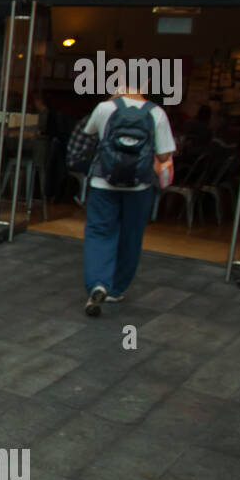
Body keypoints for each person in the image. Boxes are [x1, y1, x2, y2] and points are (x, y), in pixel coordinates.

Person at [81, 84, 176, 317]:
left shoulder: (104, 108)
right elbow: (164, 155)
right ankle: (116, 288)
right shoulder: (157, 113)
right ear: (145, 86)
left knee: (100, 232)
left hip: (104, 182)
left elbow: (89, 133)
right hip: (139, 185)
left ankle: (98, 283)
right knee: (131, 235)